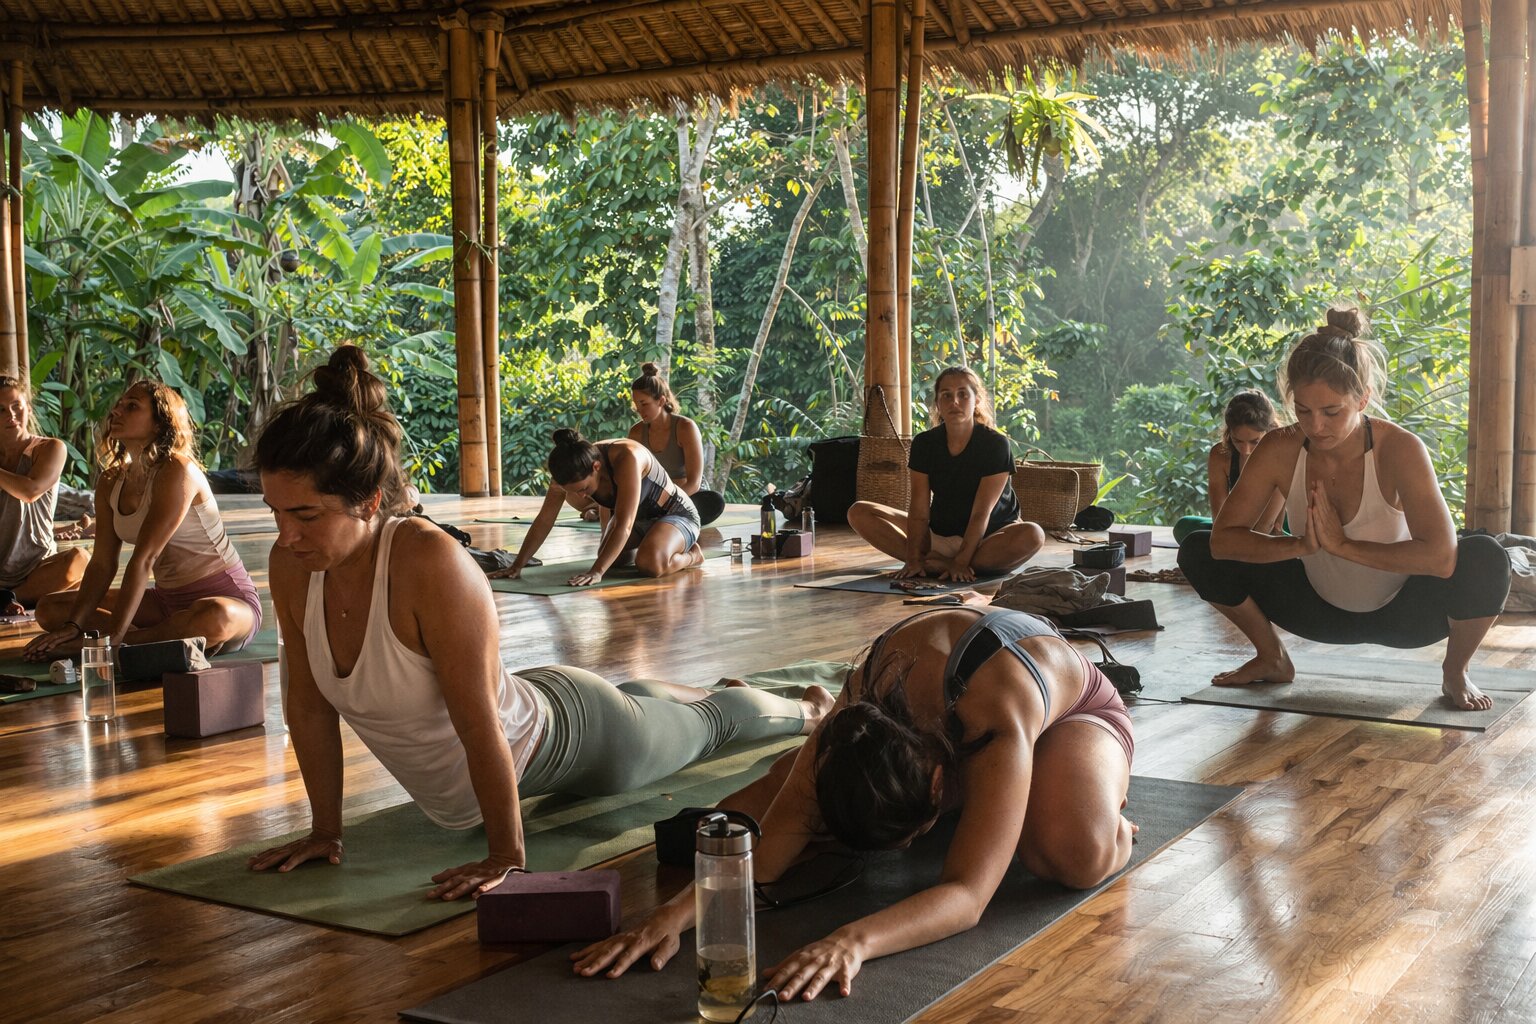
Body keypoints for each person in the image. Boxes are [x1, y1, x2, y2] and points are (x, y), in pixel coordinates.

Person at [246, 346, 832, 897]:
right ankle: (710, 693)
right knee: (643, 703)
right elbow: (307, 706)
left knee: (707, 727)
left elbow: (480, 723)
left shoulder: (424, 560)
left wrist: (507, 856)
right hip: (539, 701)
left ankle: (806, 709)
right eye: (275, 513)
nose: (286, 535)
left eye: (305, 514)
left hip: (571, 737)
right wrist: (326, 831)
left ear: (371, 501)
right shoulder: (293, 564)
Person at [571, 605, 1136, 1000]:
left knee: (1068, 854)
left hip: (1074, 714)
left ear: (940, 787)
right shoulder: (851, 720)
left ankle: (1114, 819)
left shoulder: (994, 715)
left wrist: (851, 942)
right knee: (753, 812)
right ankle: (989, 808)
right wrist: (670, 917)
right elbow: (765, 860)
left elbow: (966, 896)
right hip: (955, 738)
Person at [1178, 308, 1511, 710]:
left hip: (1404, 615)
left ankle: (1455, 671)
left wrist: (1341, 545)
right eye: (1303, 410)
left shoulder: (1400, 449)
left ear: (1363, 398)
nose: (1315, 426)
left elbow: (1441, 558)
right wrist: (1301, 546)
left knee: (1487, 558)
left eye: (1331, 412)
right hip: (1315, 611)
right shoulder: (1280, 447)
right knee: (1197, 548)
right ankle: (1273, 657)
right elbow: (1223, 543)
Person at [24, 380, 262, 660]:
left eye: (132, 406)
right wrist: (73, 625)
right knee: (51, 609)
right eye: (119, 405)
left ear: (160, 424)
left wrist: (113, 636)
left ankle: (111, 644)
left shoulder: (177, 469)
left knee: (214, 619)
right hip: (164, 602)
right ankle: (150, 639)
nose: (116, 411)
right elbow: (102, 563)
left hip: (228, 601)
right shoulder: (111, 481)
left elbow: (144, 558)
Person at [847, 366, 1044, 582]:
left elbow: (981, 514)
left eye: (963, 394)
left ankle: (949, 564)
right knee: (859, 512)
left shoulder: (995, 444)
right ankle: (929, 562)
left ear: (976, 399)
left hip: (988, 538)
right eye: (946, 395)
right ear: (938, 403)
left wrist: (960, 562)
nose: (955, 402)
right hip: (939, 534)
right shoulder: (924, 443)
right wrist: (912, 558)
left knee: (1034, 534)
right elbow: (919, 510)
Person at [503, 430, 704, 587]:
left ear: (596, 467)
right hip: (642, 522)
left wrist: (597, 572)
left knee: (650, 564)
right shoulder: (565, 471)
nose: (583, 497)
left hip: (677, 515)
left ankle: (693, 555)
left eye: (584, 489)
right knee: (612, 559)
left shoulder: (627, 457)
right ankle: (656, 543)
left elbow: (624, 525)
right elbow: (545, 519)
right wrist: (517, 565)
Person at [0, 376, 87, 614]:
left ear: (28, 407)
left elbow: (30, 491)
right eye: (1, 410)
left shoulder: (50, 448)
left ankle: (11, 598)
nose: (11, 415)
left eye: (16, 406)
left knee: (79, 559)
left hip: (37, 567)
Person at [1172, 389, 1286, 545]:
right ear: (1229, 433)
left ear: (1270, 431)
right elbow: (1219, 521)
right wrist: (1227, 540)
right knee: (1184, 527)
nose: (1245, 451)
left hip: (1275, 528)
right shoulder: (1220, 455)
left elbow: (1267, 525)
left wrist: (1234, 549)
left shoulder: (1281, 457)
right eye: (1238, 441)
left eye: (1255, 442)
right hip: (1237, 526)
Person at [627, 362, 725, 525]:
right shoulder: (636, 432)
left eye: (644, 404)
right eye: (636, 405)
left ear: (661, 401)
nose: (639, 409)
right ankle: (659, 517)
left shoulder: (686, 428)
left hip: (688, 495)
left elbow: (693, 483)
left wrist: (665, 504)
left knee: (713, 502)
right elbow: (632, 476)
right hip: (652, 498)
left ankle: (662, 517)